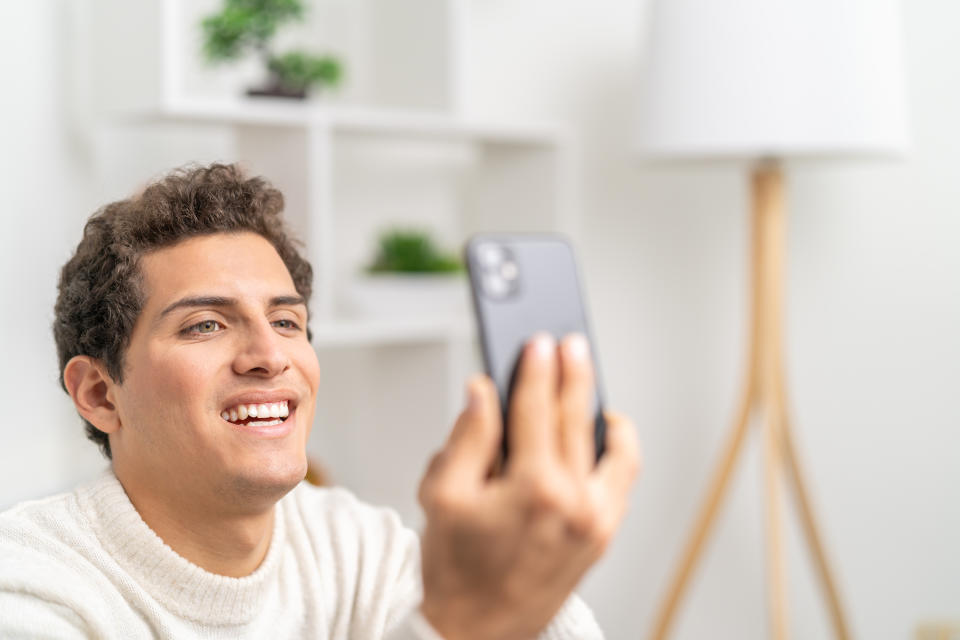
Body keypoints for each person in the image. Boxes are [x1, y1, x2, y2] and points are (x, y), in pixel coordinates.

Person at [0, 164, 640, 639]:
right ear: (98, 393)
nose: (269, 356)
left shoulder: (355, 545)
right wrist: (464, 621)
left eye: (286, 322)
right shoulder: (33, 592)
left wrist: (527, 576)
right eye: (206, 325)